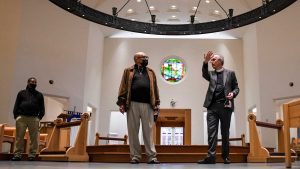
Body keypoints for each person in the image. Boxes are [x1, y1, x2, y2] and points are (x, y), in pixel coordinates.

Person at [116, 52, 160, 164]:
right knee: (133, 131)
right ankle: (135, 156)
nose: (146, 59)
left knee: (148, 131)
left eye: (146, 57)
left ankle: (151, 157)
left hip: (148, 104)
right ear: (136, 59)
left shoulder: (151, 72)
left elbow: (155, 88)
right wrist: (121, 102)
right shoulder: (128, 71)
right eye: (143, 57)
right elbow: (123, 86)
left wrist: (157, 104)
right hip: (132, 104)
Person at [198, 51, 239, 164]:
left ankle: (225, 157)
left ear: (221, 61)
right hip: (212, 106)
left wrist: (233, 94)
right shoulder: (210, 74)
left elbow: (236, 88)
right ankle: (211, 157)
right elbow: (204, 73)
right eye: (211, 60)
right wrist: (205, 62)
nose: (212, 62)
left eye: (214, 59)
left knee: (225, 132)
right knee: (211, 132)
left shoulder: (230, 73)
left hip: (226, 106)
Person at [11, 77, 45, 161]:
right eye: (32, 82)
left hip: (34, 118)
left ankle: (32, 155)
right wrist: (16, 116)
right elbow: (16, 104)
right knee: (19, 137)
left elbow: (42, 108)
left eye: (35, 82)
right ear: (28, 82)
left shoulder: (39, 95)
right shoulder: (21, 93)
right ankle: (17, 155)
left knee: (34, 138)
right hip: (22, 117)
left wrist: (39, 117)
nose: (33, 83)